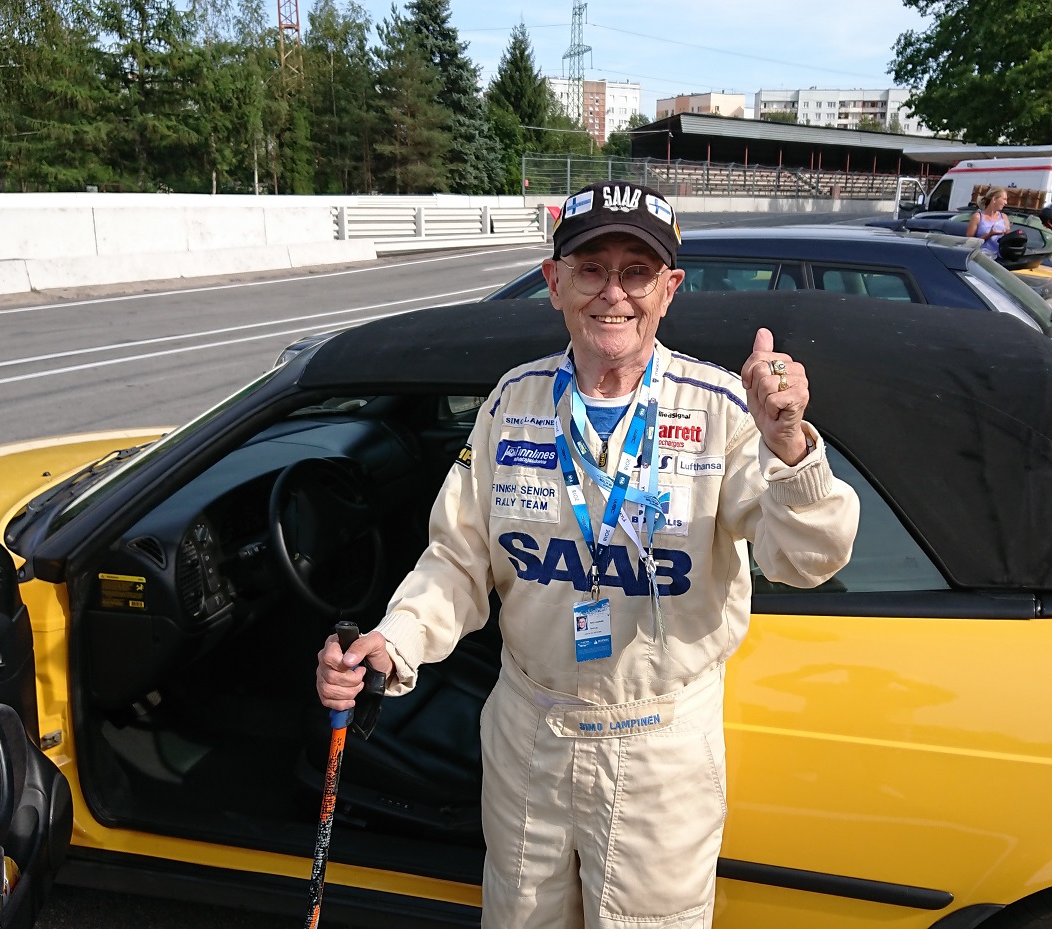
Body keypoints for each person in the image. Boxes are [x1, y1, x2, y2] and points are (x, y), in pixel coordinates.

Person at [316, 180, 860, 929]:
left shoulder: (722, 408)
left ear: (668, 289)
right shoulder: (513, 401)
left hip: (659, 744)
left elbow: (807, 560)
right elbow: (458, 557)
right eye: (591, 269)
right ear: (554, 283)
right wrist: (395, 639)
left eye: (636, 271)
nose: (614, 293)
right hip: (530, 729)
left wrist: (791, 443)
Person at [965, 187, 1010, 255]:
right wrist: (989, 235)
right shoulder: (978, 217)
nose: (1006, 203)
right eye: (1004, 199)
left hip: (999, 258)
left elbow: (1009, 240)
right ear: (994, 199)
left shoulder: (1004, 217)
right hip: (980, 258)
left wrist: (1008, 233)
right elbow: (969, 243)